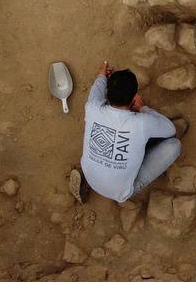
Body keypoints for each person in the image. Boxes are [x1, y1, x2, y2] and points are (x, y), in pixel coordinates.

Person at [73, 62, 182, 204]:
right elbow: (170, 129)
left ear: (107, 94)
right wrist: (143, 108)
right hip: (119, 192)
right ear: (133, 99)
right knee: (174, 145)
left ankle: (88, 180)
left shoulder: (92, 107)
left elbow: (97, 88)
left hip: (90, 176)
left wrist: (102, 75)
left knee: (134, 143)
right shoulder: (142, 122)